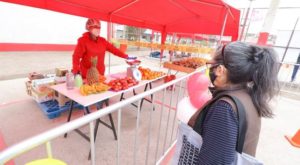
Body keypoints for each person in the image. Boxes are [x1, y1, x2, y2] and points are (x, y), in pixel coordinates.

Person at [188, 42, 279, 164]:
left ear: (220, 70)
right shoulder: (248, 96)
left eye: (211, 65)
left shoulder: (225, 108)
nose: (209, 69)